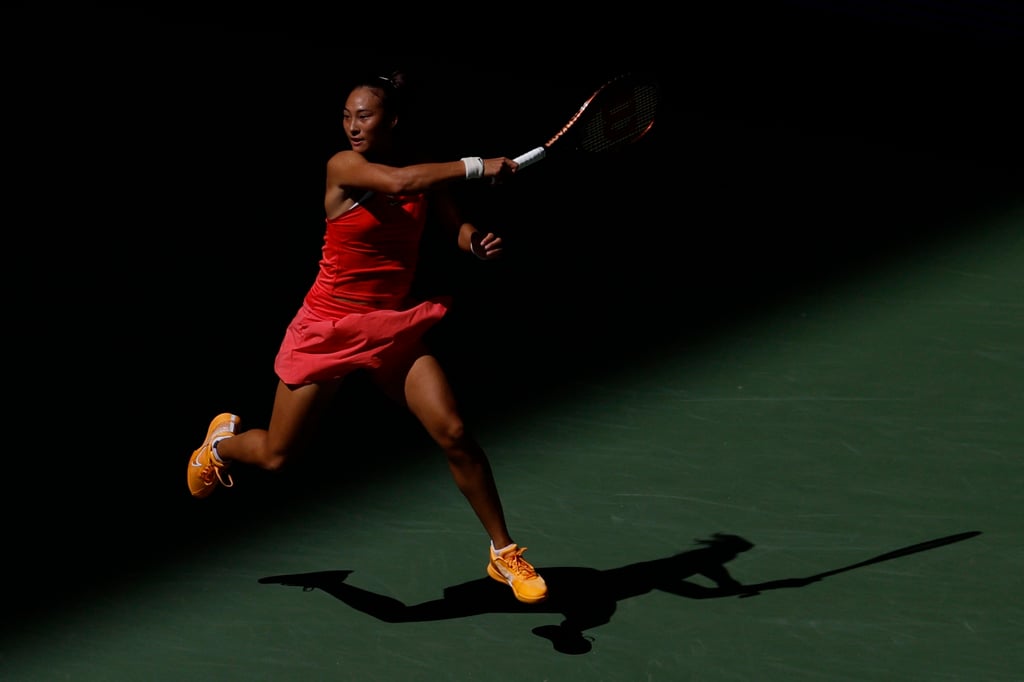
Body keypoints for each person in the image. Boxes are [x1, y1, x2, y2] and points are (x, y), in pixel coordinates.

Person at [186, 69, 547, 605]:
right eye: (347, 116)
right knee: (279, 457)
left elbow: (451, 223)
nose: (353, 126)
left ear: (393, 120)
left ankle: (503, 553)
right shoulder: (344, 166)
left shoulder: (426, 173)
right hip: (327, 330)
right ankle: (221, 446)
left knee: (453, 431)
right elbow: (401, 185)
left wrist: (473, 243)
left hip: (388, 327)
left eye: (365, 115)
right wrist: (479, 164)